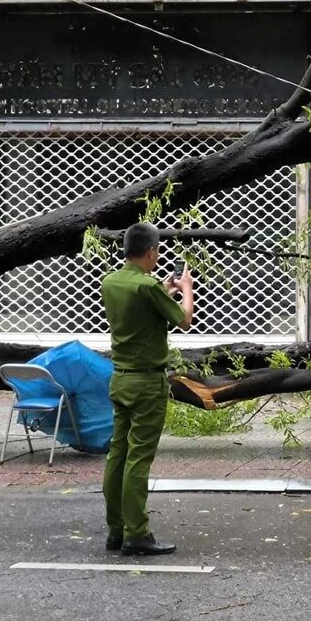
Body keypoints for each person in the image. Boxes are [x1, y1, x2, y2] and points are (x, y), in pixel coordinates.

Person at [100, 222, 194, 556]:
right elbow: (184, 321)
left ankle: (115, 529)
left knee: (118, 453)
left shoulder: (111, 282)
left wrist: (162, 291)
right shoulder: (148, 286)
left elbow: (141, 312)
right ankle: (137, 533)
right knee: (138, 458)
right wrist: (185, 289)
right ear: (152, 251)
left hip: (120, 377)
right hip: (147, 382)